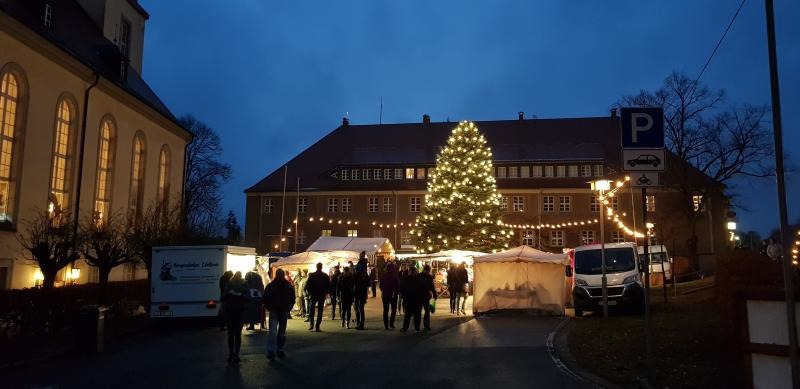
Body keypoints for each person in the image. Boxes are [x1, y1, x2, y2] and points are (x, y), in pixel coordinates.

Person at [262, 268, 295, 360]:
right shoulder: (287, 286)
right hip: (279, 311)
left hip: (278, 311)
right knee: (279, 332)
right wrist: (288, 308)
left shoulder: (271, 286)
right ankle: (277, 349)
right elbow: (292, 298)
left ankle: (273, 350)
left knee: (276, 332)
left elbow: (265, 298)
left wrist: (269, 307)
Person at [222, 271, 248, 363]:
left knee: (230, 334)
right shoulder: (244, 284)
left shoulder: (229, 283)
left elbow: (222, 297)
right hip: (240, 312)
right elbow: (248, 298)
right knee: (237, 335)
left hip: (230, 312)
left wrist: (229, 293)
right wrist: (241, 296)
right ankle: (236, 354)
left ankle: (231, 354)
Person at [305, 262, 331, 332]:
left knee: (311, 309)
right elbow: (328, 286)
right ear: (321, 267)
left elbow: (307, 286)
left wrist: (310, 292)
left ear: (316, 267)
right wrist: (326, 293)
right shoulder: (325, 275)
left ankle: (311, 324)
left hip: (313, 294)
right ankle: (317, 326)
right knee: (320, 310)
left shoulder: (312, 275)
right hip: (321, 295)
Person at [400, 267, 422, 333]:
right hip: (416, 300)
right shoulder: (418, 279)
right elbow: (422, 289)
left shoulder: (406, 279)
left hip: (408, 300)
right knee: (417, 315)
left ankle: (405, 328)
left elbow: (402, 289)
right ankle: (416, 328)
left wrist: (404, 297)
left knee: (408, 315)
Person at [380, 262, 400, 330]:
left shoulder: (383, 276)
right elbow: (398, 286)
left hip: (385, 295)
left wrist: (384, 290)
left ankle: (386, 325)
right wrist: (396, 292)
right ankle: (391, 323)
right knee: (393, 309)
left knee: (386, 310)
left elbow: (381, 286)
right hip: (393, 295)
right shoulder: (395, 276)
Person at [353, 262, 371, 330]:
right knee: (361, 309)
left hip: (357, 294)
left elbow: (352, 284)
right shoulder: (365, 275)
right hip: (362, 294)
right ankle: (361, 324)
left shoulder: (355, 275)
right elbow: (368, 285)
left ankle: (358, 323)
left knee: (357, 308)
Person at [419, 264, 437, 331]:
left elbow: (432, 287)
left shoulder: (429, 277)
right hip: (421, 296)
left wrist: (434, 294)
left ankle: (426, 325)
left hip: (426, 296)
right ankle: (418, 326)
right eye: (428, 271)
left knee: (427, 311)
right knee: (419, 312)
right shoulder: (420, 276)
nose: (428, 272)